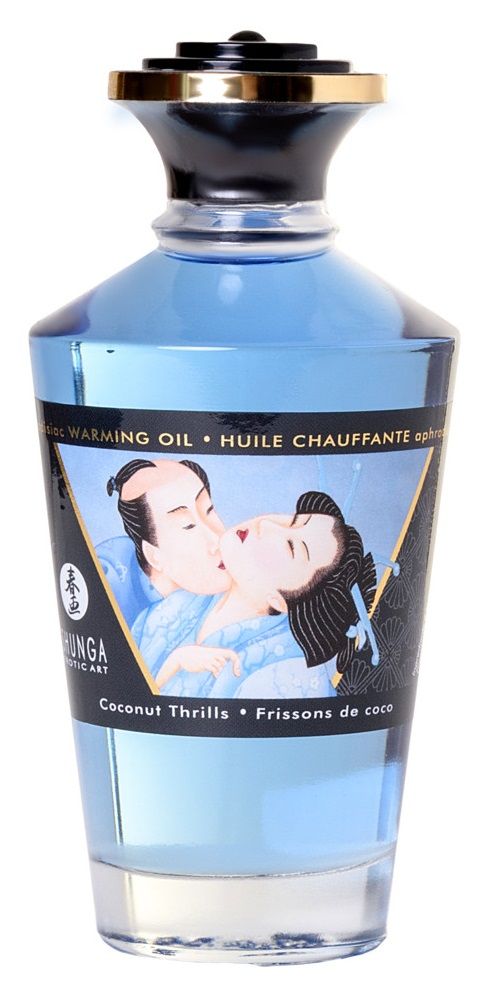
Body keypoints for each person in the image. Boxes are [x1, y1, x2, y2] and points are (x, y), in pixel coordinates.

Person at [133, 490, 376, 698]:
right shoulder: (179, 604)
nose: (267, 524)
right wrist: (175, 661)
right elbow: (126, 697)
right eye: (292, 521)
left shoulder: (289, 674)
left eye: (291, 546)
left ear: (280, 601)